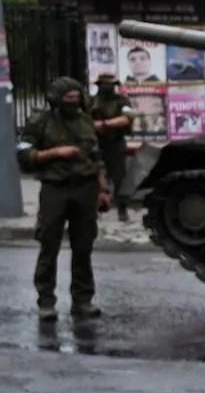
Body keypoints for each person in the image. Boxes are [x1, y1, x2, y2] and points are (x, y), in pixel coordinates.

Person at [17, 77, 111, 321]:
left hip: (85, 188)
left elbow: (96, 155)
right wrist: (54, 153)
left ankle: (83, 300)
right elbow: (24, 154)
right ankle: (46, 301)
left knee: (84, 247)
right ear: (56, 99)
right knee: (49, 245)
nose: (73, 101)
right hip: (55, 188)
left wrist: (103, 189)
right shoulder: (41, 121)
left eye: (76, 97)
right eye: (68, 98)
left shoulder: (84, 120)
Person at [90, 73, 136, 223]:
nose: (107, 87)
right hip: (94, 143)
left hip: (115, 143)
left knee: (119, 178)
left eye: (109, 84)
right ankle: (95, 207)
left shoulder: (122, 101)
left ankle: (122, 208)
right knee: (93, 176)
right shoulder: (91, 101)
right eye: (104, 84)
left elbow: (127, 118)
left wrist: (104, 124)